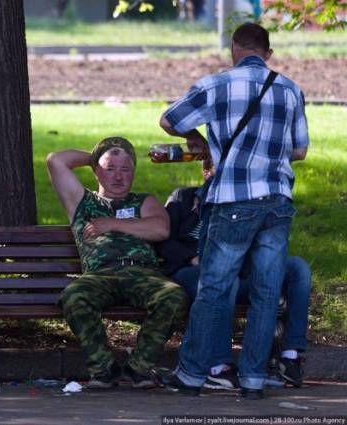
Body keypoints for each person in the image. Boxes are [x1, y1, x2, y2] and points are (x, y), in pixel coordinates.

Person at [159, 22, 309, 399]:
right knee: (266, 291)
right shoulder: (290, 90)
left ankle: (191, 375)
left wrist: (195, 137)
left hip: (234, 201)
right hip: (277, 201)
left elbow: (169, 119)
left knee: (213, 287)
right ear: (267, 52)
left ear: (234, 48)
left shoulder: (216, 85)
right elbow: (300, 150)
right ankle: (254, 380)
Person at [46, 137, 187, 389]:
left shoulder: (143, 201)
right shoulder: (82, 202)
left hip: (142, 272)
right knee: (74, 295)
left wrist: (111, 224)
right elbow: (56, 161)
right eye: (110, 169)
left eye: (125, 169)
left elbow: (161, 228)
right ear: (96, 171)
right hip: (101, 274)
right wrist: (96, 157)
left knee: (173, 296)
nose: (118, 177)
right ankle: (104, 369)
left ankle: (139, 368)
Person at [157, 161, 310, 389]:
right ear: (206, 172)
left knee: (297, 267)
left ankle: (290, 357)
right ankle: (219, 366)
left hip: (240, 272)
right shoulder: (184, 198)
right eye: (216, 170)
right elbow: (163, 241)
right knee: (223, 281)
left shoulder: (245, 204)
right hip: (192, 271)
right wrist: (193, 257)